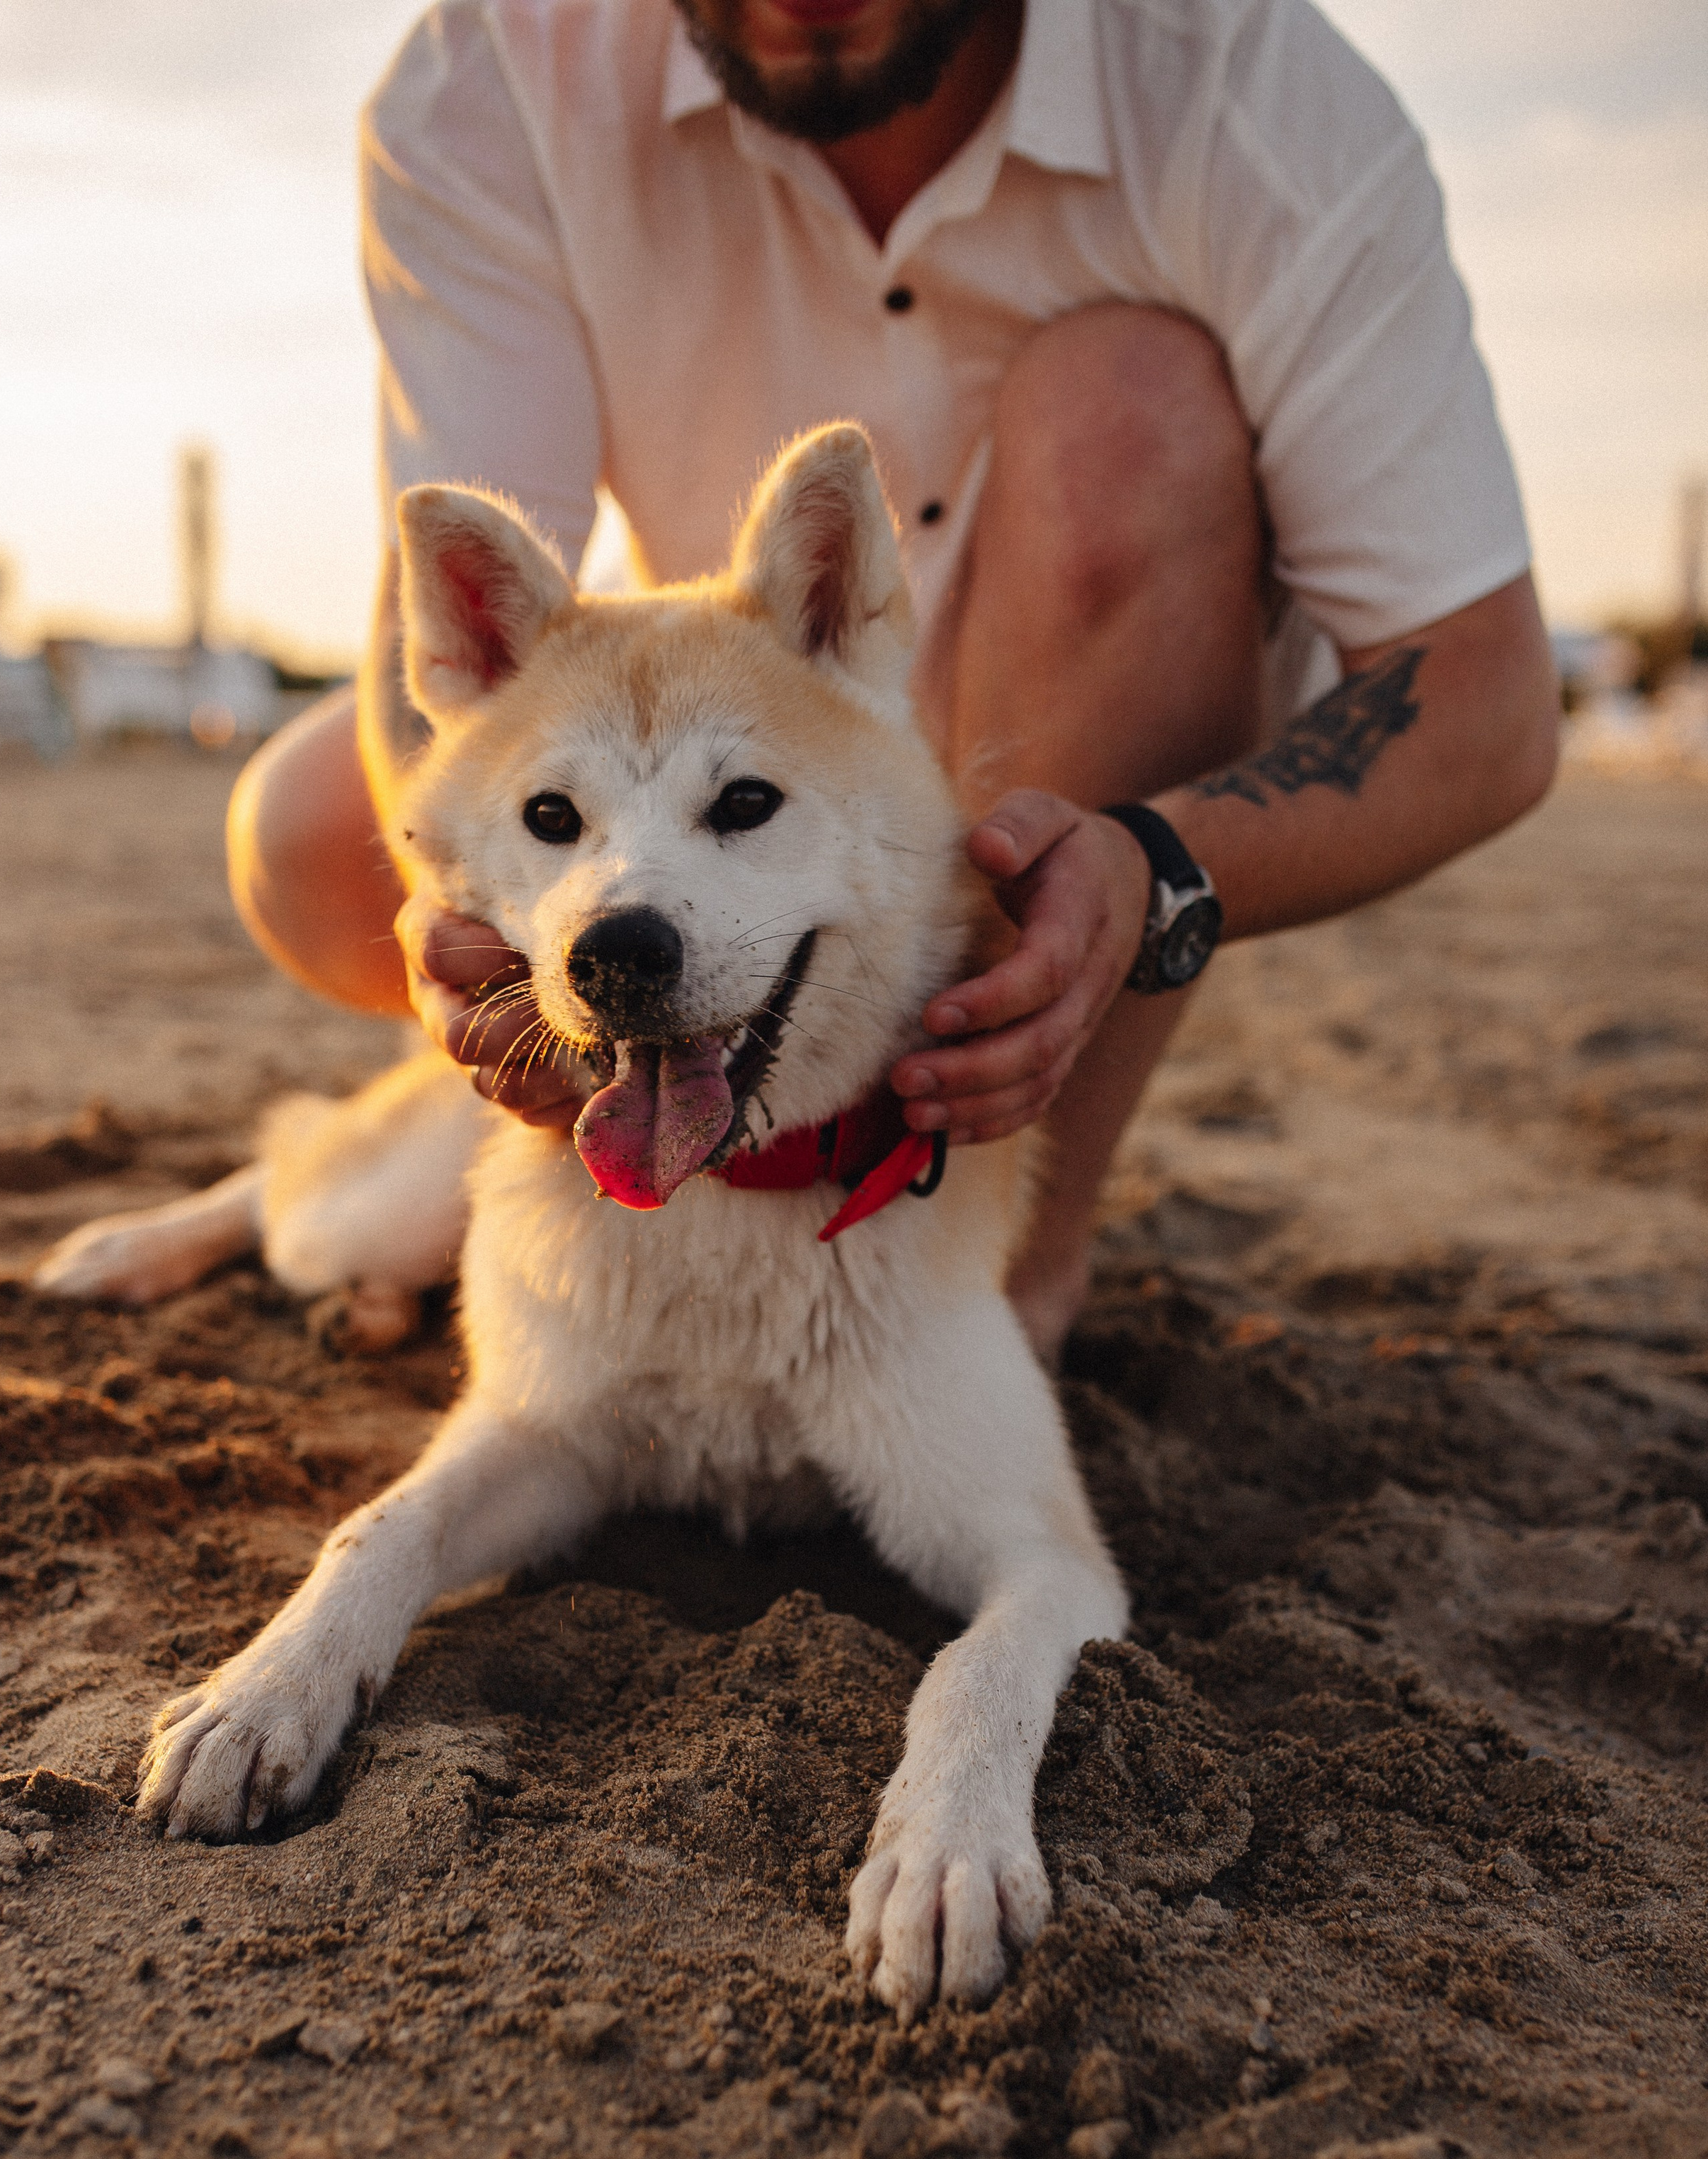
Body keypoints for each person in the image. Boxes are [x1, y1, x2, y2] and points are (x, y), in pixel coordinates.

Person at [227, 0, 1557, 1360]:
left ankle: (1006, 1259)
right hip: (732, 743)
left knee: (1130, 407)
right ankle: (525, 1148)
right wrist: (456, 919)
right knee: (310, 839)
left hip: (1081, 714)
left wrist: (1154, 866)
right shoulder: (496, 69)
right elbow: (456, 647)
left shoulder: (1242, 84)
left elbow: (1491, 705)